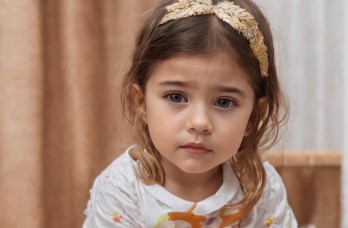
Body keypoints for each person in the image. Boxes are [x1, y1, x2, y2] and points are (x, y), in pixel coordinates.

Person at [83, 0, 297, 227]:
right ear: (141, 102)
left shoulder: (260, 187)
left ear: (254, 116)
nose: (199, 122)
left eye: (224, 102)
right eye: (176, 97)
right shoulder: (121, 189)